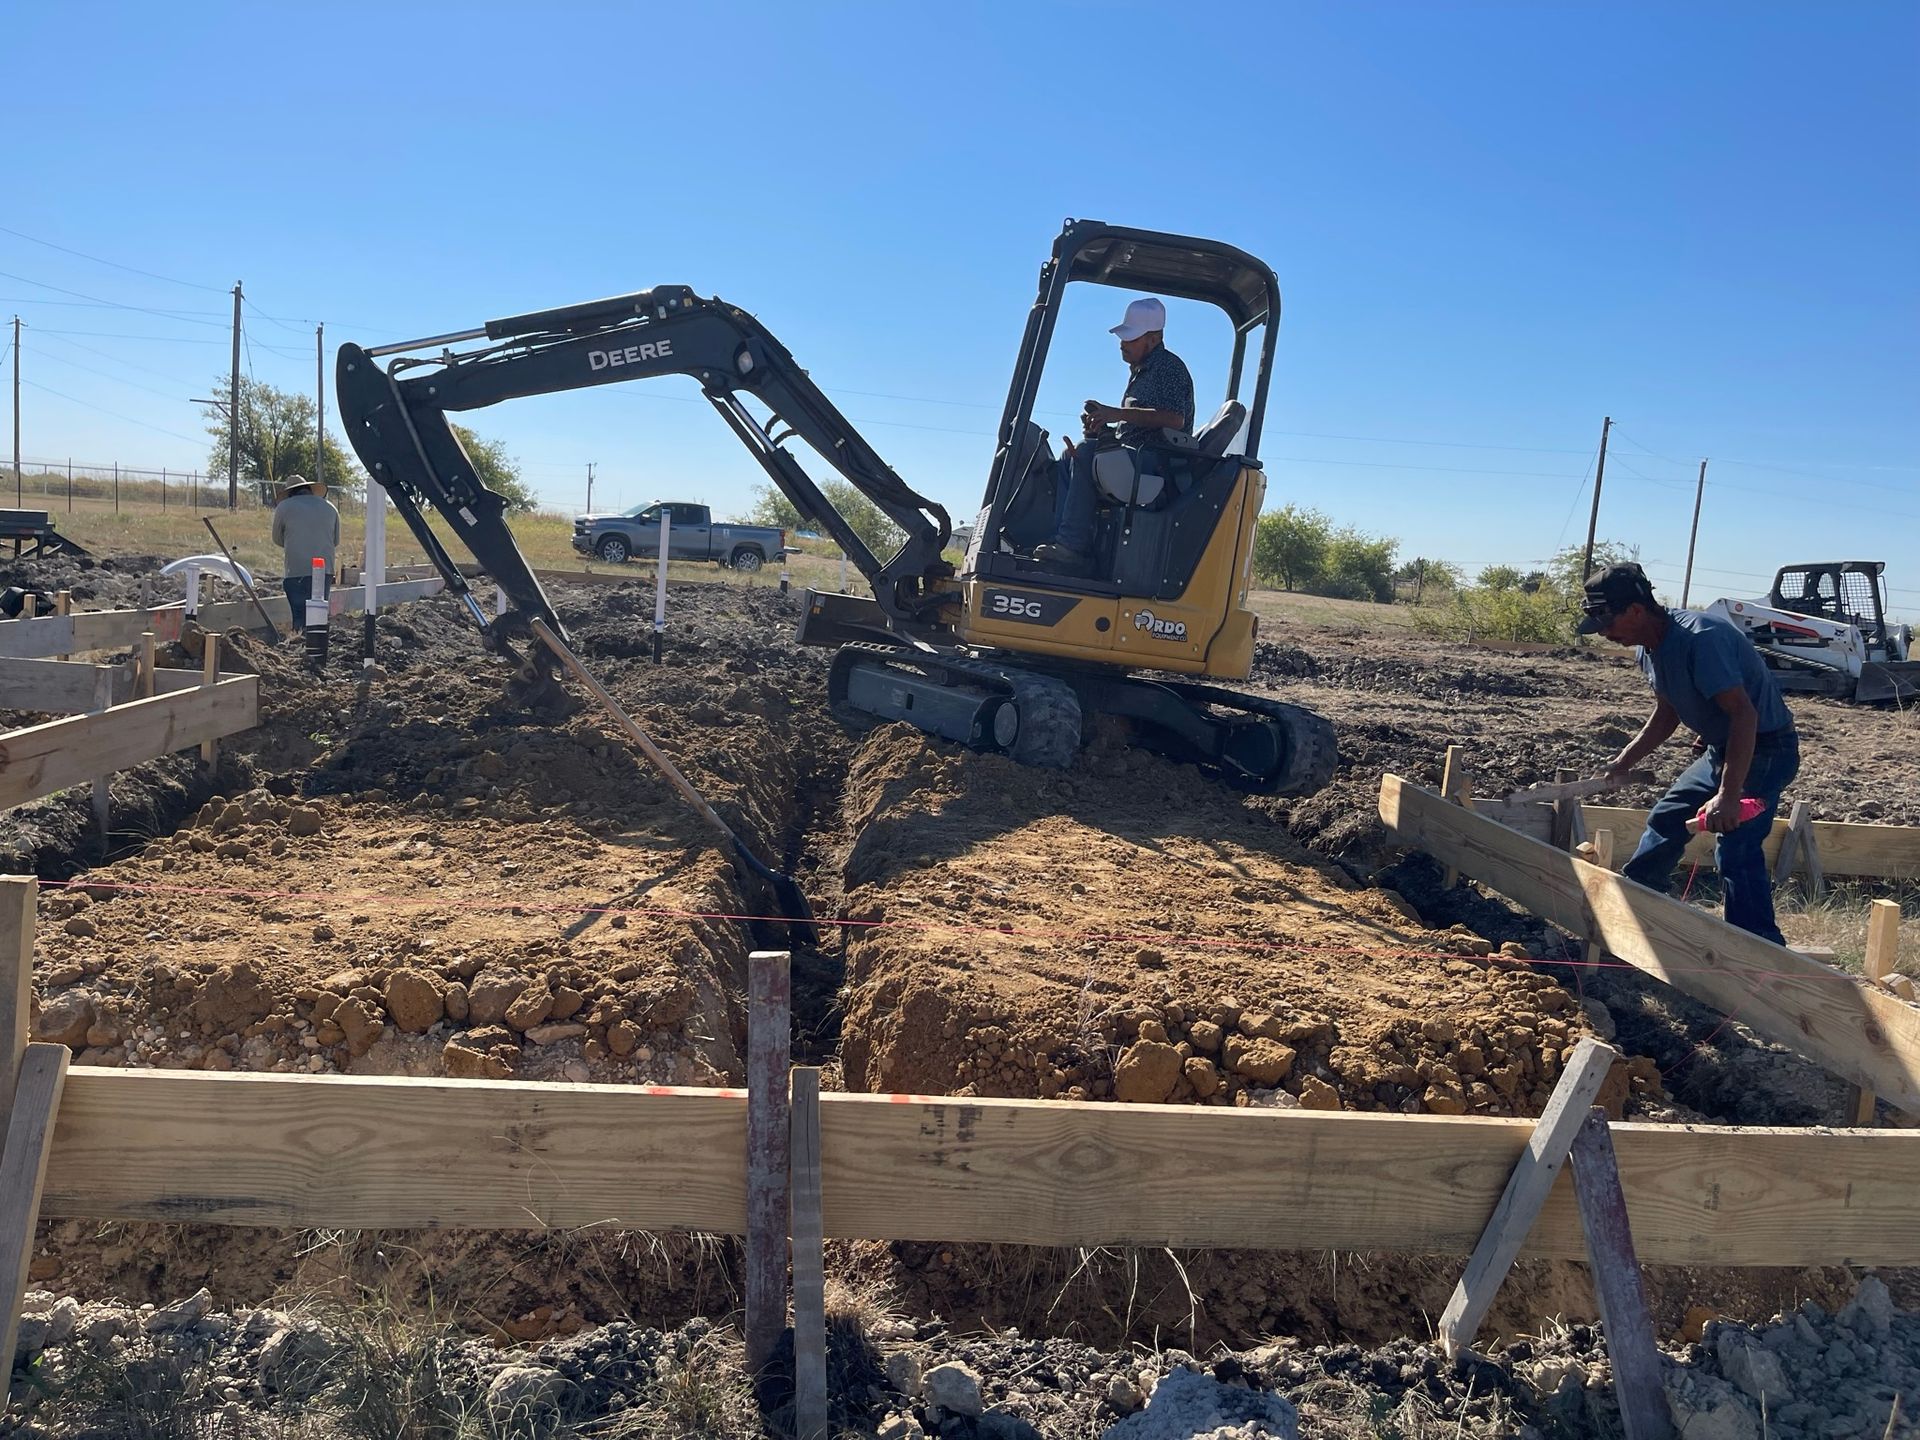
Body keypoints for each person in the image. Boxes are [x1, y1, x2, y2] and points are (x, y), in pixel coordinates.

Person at [1580, 561, 1800, 943]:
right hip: (1723, 748)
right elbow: (1667, 714)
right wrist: (1624, 761)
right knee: (1667, 817)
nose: (1604, 634)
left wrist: (1729, 796)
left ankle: (1759, 948)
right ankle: (1637, 902)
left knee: (1735, 845)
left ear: (1636, 610)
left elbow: (1744, 716)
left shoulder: (1701, 639)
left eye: (1608, 623)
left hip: (1765, 747)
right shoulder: (1647, 649)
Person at [1033, 296, 1194, 570]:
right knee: (1071, 455)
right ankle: (1062, 540)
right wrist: (1103, 429)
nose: (1122, 343)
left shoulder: (1169, 368)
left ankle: (1072, 545)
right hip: (1136, 456)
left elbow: (1174, 419)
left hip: (1157, 463)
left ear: (1153, 339)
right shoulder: (1141, 371)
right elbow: (1135, 423)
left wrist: (1116, 414)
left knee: (1085, 453)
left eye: (1130, 337)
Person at [270, 474, 340, 630]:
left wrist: (293, 544)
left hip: (296, 571)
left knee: (300, 618)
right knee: (319, 616)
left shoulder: (284, 507)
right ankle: (319, 648)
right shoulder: (330, 508)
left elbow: (277, 538)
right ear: (309, 489)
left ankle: (300, 646)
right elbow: (335, 541)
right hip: (324, 571)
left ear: (290, 493)